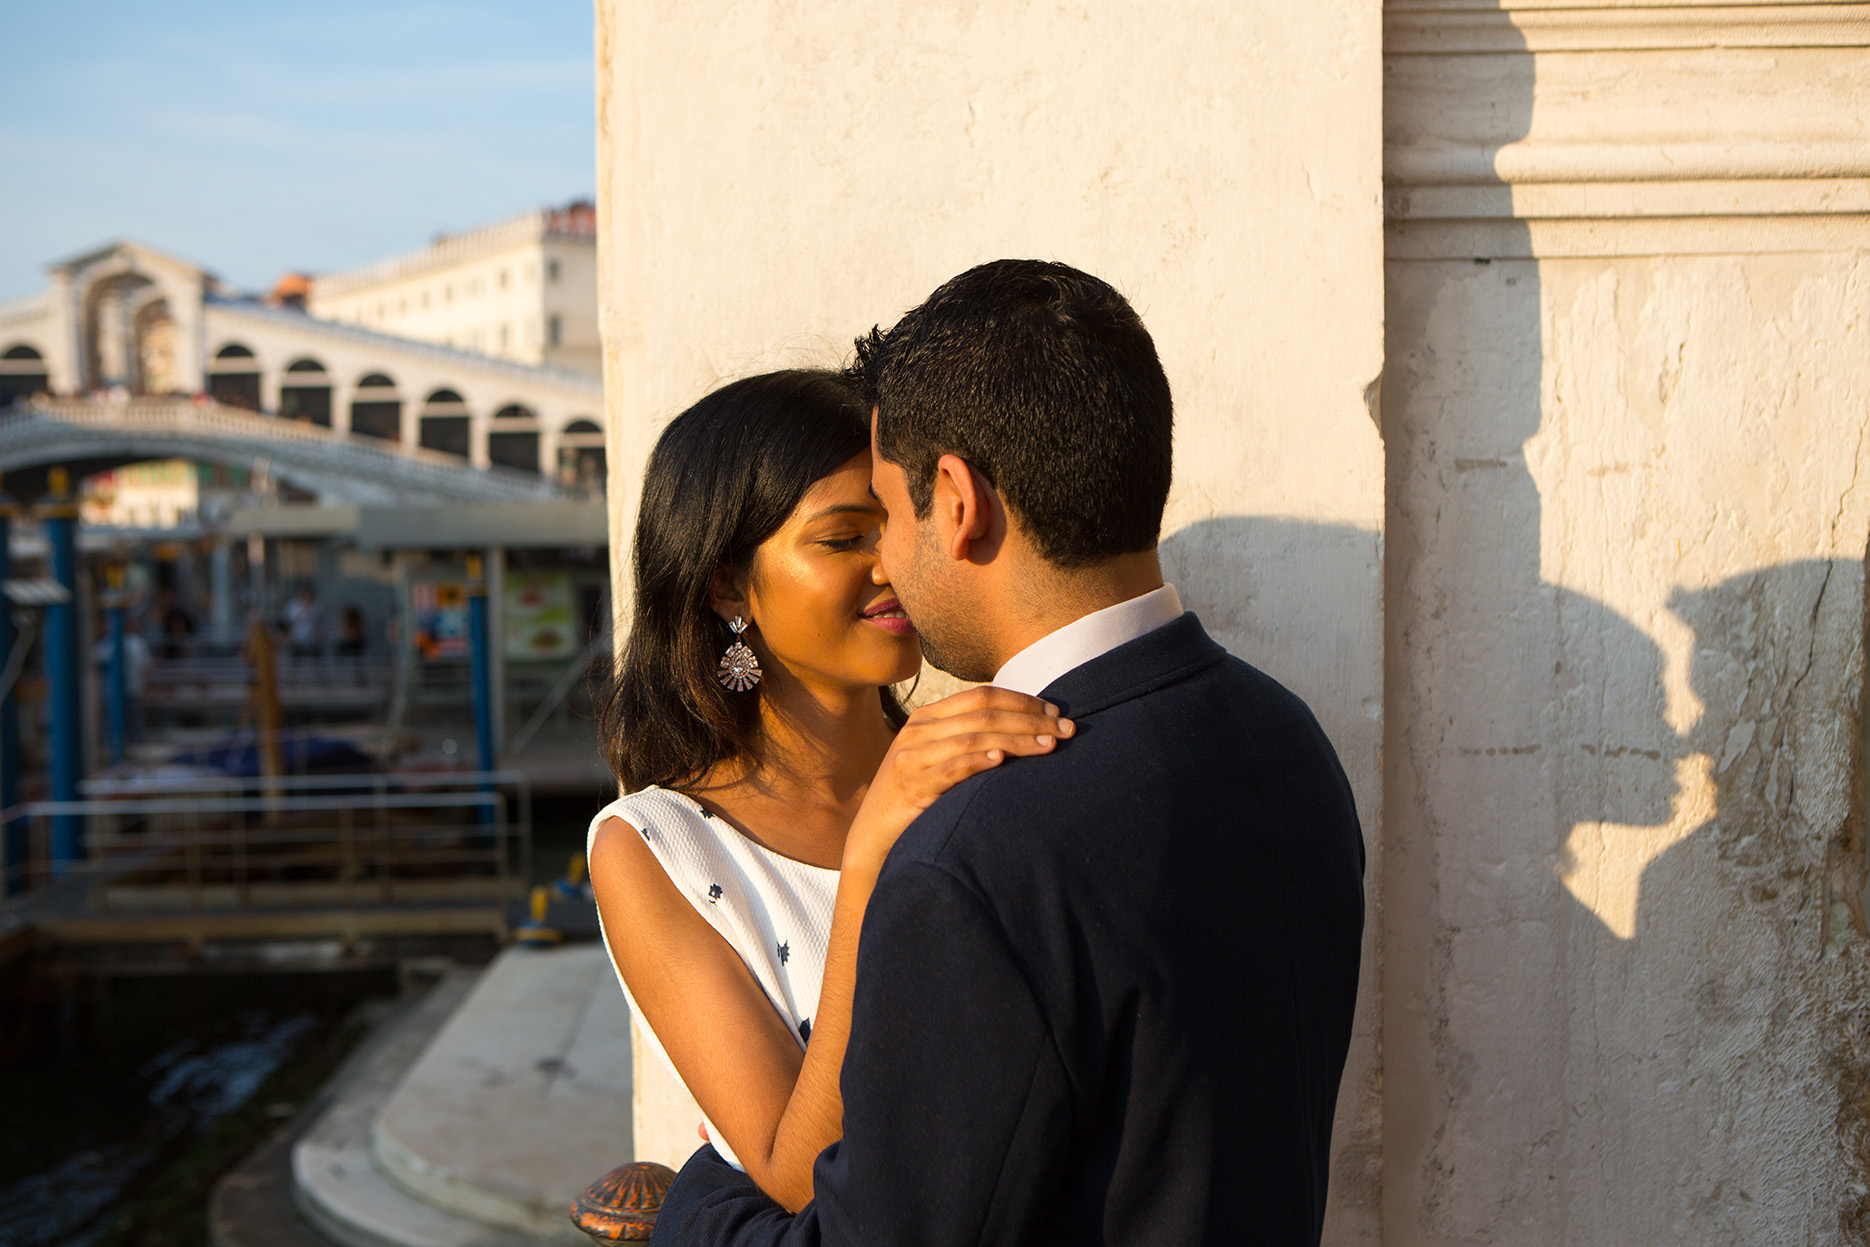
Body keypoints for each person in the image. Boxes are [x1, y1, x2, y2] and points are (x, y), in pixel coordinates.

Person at [652, 260, 1367, 1246]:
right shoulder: (1283, 735)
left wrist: (692, 1204)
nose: (888, 563)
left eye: (890, 517)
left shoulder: (974, 850)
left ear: (954, 499)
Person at [588, 370, 1070, 1212]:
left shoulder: (988, 756)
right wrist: (876, 842)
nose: (893, 566)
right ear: (728, 586)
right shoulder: (653, 849)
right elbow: (798, 1168)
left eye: (901, 526)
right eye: (845, 537)